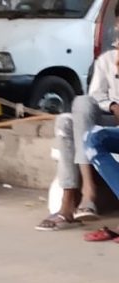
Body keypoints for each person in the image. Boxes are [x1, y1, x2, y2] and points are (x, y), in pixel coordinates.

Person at [36, 14, 119, 231]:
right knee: (74, 112)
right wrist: (113, 106)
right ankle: (80, 195)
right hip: (109, 120)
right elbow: (96, 96)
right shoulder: (108, 61)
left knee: (76, 124)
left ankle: (72, 203)